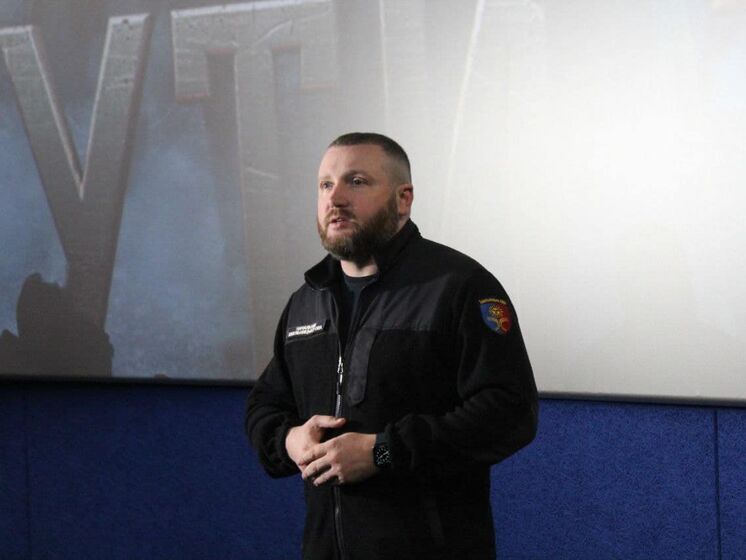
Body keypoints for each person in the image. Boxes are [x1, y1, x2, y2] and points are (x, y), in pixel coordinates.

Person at [245, 132, 538, 559]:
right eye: (325, 185)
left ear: (404, 199)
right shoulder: (307, 300)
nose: (335, 198)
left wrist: (381, 452)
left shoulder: (458, 287)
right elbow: (265, 406)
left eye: (356, 181)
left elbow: (510, 412)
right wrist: (290, 441)